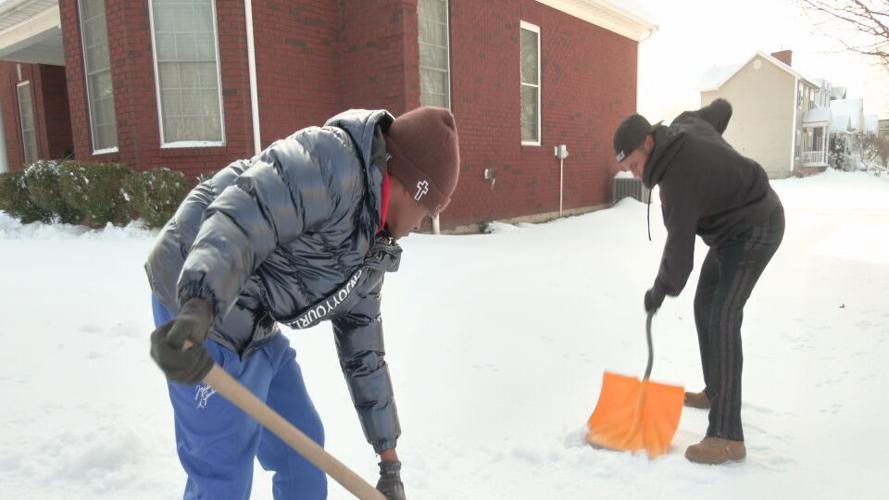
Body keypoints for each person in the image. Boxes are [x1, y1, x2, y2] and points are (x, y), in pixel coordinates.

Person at [146, 106, 460, 498]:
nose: (421, 226)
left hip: (250, 313)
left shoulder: (373, 246)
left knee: (303, 451)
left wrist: (389, 463)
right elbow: (246, 214)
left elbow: (365, 355)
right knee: (222, 473)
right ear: (410, 188)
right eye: (428, 213)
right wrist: (197, 306)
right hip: (198, 292)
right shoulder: (331, 162)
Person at [613, 98, 784, 465]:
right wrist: (714, 150)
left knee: (723, 316)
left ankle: (726, 436)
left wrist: (658, 291)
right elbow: (721, 109)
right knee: (704, 305)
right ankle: (716, 390)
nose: (635, 174)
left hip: (759, 225)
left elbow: (679, 258)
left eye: (635, 165)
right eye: (628, 170)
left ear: (648, 143)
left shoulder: (677, 182)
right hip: (730, 231)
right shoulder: (686, 123)